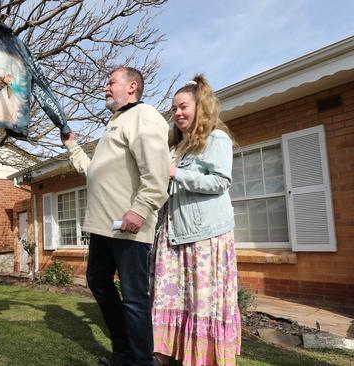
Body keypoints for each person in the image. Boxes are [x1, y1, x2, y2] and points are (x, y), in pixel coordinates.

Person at [62, 66, 170, 366]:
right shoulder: (115, 123)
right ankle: (123, 353)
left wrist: (141, 208)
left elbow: (158, 170)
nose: (106, 87)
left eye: (111, 82)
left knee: (134, 296)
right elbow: (93, 170)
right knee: (97, 280)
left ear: (132, 86)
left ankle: (142, 361)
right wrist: (71, 145)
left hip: (128, 224)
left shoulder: (143, 117)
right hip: (103, 227)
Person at [151, 74, 240, 366]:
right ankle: (164, 353)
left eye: (183, 106)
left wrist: (177, 174)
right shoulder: (178, 147)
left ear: (200, 107)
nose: (177, 113)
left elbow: (219, 182)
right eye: (174, 108)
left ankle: (203, 357)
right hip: (173, 232)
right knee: (171, 297)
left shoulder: (216, 139)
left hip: (204, 236)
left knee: (201, 301)